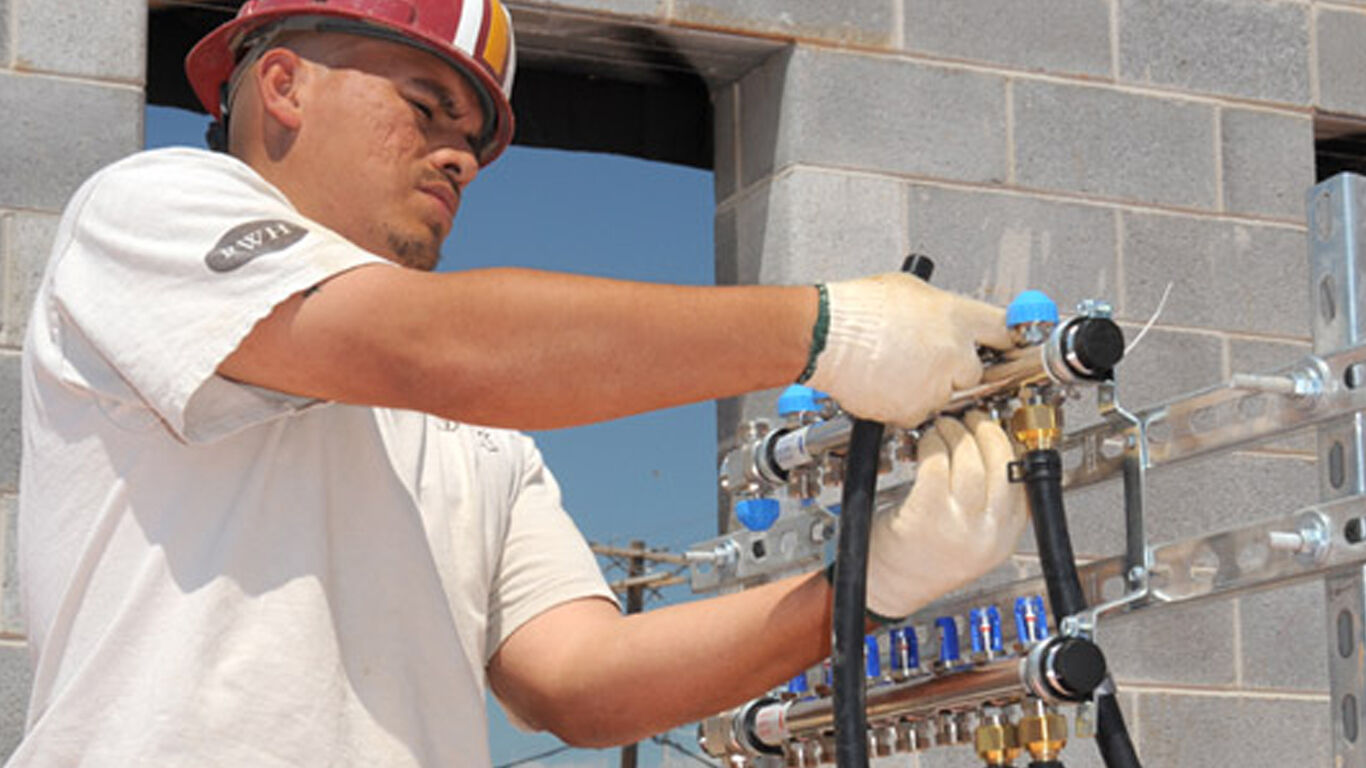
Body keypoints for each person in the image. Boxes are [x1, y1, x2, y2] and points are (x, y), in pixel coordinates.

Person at [13, 0, 1027, 765]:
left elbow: (579, 684)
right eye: (427, 108)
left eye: (477, 140)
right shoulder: (152, 210)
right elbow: (428, 348)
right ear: (283, 84)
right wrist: (826, 329)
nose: (460, 156)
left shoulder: (475, 437)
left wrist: (869, 585)